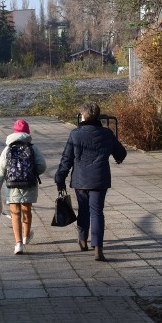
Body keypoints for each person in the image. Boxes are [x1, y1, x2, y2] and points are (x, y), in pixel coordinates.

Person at [54, 102, 126, 261]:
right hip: (100, 179)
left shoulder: (75, 134)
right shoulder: (107, 133)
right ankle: (98, 248)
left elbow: (67, 159)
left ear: (84, 116)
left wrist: (60, 178)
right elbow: (121, 153)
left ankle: (82, 240)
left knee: (83, 210)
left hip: (81, 180)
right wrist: (115, 156)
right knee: (97, 212)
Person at [0, 119, 47, 255]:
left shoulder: (8, 148)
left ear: (14, 132)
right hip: (29, 184)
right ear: (27, 132)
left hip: (12, 185)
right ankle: (26, 236)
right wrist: (32, 173)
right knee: (26, 210)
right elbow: (42, 166)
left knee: (15, 214)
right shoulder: (33, 148)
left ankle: (18, 244)